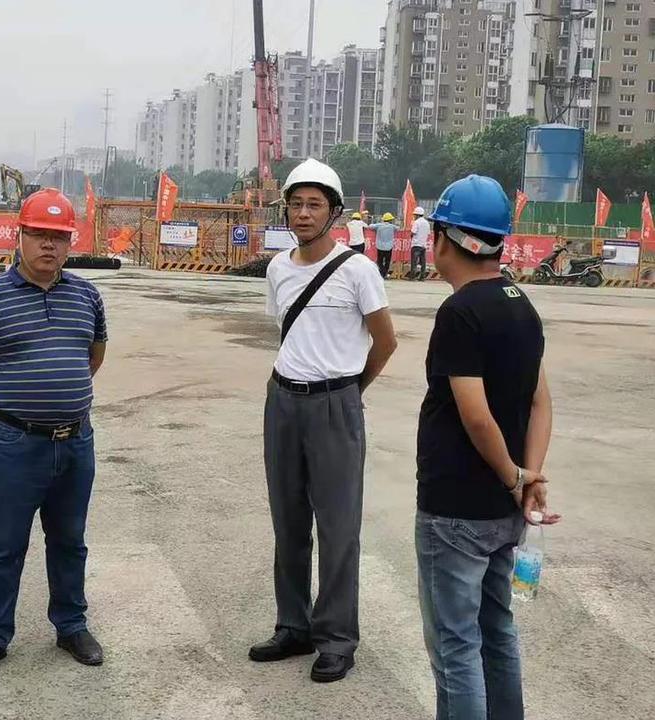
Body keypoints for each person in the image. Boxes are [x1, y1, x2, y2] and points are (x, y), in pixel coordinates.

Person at [415, 175, 561, 719]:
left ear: (445, 240)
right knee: (497, 631)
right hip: (503, 512)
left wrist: (513, 476)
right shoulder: (522, 305)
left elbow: (475, 416)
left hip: (456, 508)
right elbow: (541, 403)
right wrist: (529, 476)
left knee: (455, 645)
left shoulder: (460, 313)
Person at [249, 158, 398, 683]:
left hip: (336, 403)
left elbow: (385, 342)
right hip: (283, 401)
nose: (303, 213)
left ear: (334, 212)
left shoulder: (358, 270)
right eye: (296, 203)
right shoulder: (278, 268)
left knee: (338, 527)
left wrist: (350, 392)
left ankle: (335, 638)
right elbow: (287, 331)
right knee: (288, 521)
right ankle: (294, 625)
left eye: (314, 204)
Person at [0, 188, 108, 677]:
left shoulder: (87, 295)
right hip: (14, 444)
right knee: (5, 543)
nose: (49, 245)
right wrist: (9, 400)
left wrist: (59, 392)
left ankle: (71, 626)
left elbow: (94, 355)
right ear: (19, 236)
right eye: (39, 234)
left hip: (75, 442)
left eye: (59, 237)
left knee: (70, 540)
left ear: (70, 242)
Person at [368, 212, 397, 279]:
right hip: (389, 247)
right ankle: (385, 273)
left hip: (380, 246)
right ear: (390, 220)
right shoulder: (392, 227)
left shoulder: (379, 225)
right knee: (387, 261)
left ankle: (382, 272)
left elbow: (370, 226)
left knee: (379, 261)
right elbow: (398, 228)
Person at [410, 206, 431, 280]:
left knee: (414, 262)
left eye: (415, 215)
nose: (414, 216)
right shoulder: (427, 223)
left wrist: (411, 236)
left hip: (416, 244)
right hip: (423, 245)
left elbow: (413, 232)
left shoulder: (416, 222)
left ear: (417, 215)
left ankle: (412, 276)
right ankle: (422, 277)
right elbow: (428, 233)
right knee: (423, 262)